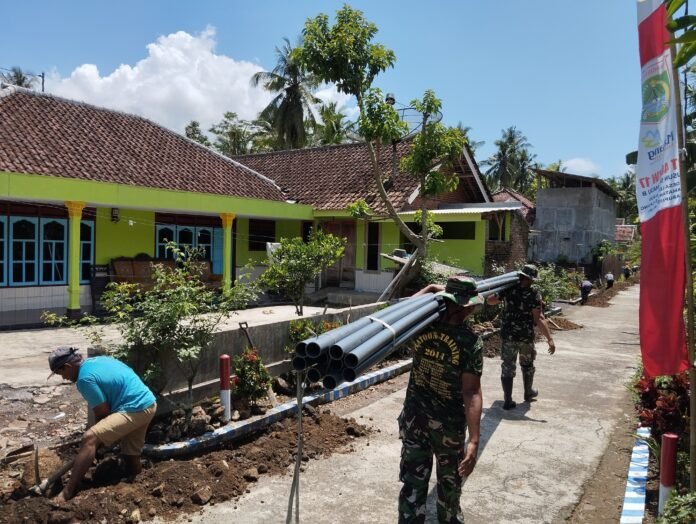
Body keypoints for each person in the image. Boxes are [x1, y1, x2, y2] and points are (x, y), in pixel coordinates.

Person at [397, 276, 484, 524]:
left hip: (414, 421)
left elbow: (400, 310)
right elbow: (471, 392)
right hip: (448, 429)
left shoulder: (421, 327)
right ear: (467, 307)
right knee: (449, 487)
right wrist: (474, 440)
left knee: (413, 486)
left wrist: (429, 288)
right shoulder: (470, 341)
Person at [47, 346, 157, 501]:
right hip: (148, 403)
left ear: (67, 366)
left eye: (61, 373)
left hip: (133, 408)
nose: (64, 378)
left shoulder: (84, 379)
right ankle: (138, 482)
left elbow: (102, 412)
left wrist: (97, 440)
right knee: (131, 452)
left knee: (90, 438)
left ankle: (66, 493)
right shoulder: (97, 360)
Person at [486, 264, 555, 410]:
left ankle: (508, 400)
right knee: (527, 365)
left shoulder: (508, 289)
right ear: (531, 279)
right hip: (525, 337)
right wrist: (549, 339)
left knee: (507, 366)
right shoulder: (534, 294)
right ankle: (528, 393)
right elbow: (539, 318)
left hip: (508, 336)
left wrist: (498, 292)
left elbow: (490, 301)